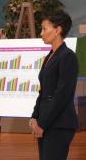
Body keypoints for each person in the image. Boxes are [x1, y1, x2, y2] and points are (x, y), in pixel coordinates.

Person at [30, 10, 78, 160]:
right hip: (46, 123)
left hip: (59, 125)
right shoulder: (49, 57)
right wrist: (34, 117)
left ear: (57, 30)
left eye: (44, 29)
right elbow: (43, 92)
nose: (41, 33)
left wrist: (42, 123)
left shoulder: (68, 56)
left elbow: (61, 95)